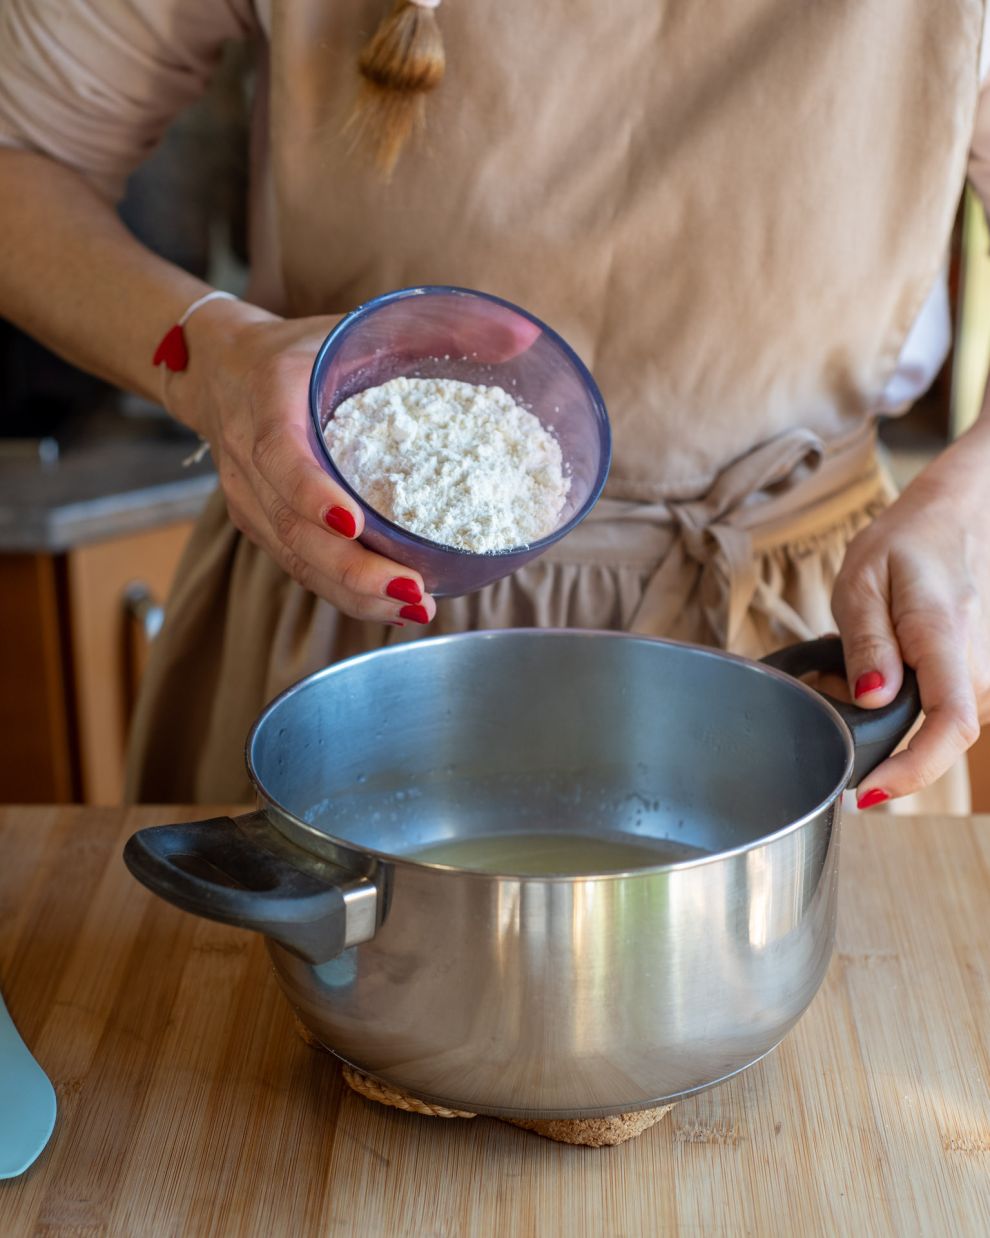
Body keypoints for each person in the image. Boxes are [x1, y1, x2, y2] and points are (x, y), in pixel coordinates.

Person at [0, 0, 988, 810]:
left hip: (805, 677)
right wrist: (212, 360)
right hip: (355, 653)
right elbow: (19, 152)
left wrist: (968, 507)